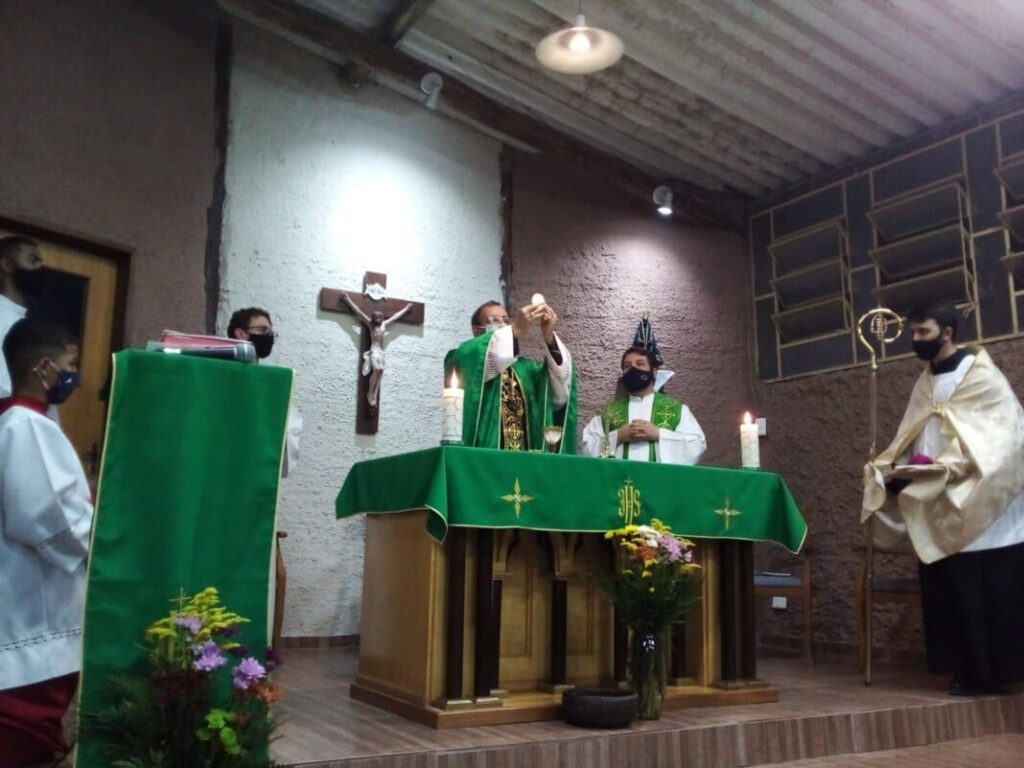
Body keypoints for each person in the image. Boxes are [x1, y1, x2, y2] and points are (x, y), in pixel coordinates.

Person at [862, 301, 1024, 696]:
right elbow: (916, 432)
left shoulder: (981, 376)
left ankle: (993, 673)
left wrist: (952, 467)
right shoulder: (926, 380)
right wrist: (894, 467)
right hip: (939, 496)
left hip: (984, 504)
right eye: (914, 333)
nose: (916, 341)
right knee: (951, 590)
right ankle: (962, 668)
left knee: (988, 590)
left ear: (948, 332)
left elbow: (1004, 437)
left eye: (924, 333)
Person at [0, 317, 93, 767]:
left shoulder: (17, 422)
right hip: (30, 604)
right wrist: (99, 535)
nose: (72, 376)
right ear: (42, 367)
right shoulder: (25, 426)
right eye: (69, 364)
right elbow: (41, 514)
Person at [444, 299, 577, 452]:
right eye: (494, 320)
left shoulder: (527, 369)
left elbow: (559, 394)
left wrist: (549, 337)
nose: (504, 325)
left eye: (506, 321)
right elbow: (479, 354)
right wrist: (516, 328)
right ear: (478, 330)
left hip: (524, 459)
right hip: (486, 457)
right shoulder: (465, 357)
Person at [580, 346, 706, 463]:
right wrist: (618, 436)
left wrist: (658, 434)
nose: (633, 369)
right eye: (627, 366)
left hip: (659, 481)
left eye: (640, 364)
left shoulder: (677, 410)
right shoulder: (608, 412)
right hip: (618, 483)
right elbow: (586, 447)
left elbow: (696, 444)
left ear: (654, 372)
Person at [227, 307, 303, 477]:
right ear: (240, 333)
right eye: (262, 330)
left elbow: (288, 437)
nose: (268, 336)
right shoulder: (221, 375)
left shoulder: (272, 385)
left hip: (253, 470)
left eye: (270, 332)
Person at [340, 293, 413, 413]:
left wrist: (405, 309)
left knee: (380, 372)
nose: (378, 318)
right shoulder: (370, 324)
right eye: (377, 316)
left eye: (380, 316)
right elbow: (358, 312)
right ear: (374, 317)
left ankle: (373, 394)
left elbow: (395, 317)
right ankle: (370, 392)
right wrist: (347, 300)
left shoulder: (384, 325)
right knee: (378, 369)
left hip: (381, 352)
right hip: (374, 350)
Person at [0, 236, 44, 397]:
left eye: (41, 263)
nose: (40, 268)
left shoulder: (29, 320)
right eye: (33, 260)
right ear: (6, 265)